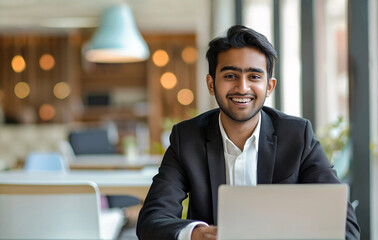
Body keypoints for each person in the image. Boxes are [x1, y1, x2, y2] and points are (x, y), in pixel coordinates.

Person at [136, 25, 360, 240]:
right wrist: (197, 234)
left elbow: (345, 226)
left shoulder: (297, 136)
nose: (242, 87)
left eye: (254, 76)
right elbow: (151, 221)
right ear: (211, 84)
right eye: (230, 76)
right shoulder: (187, 138)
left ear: (269, 86)